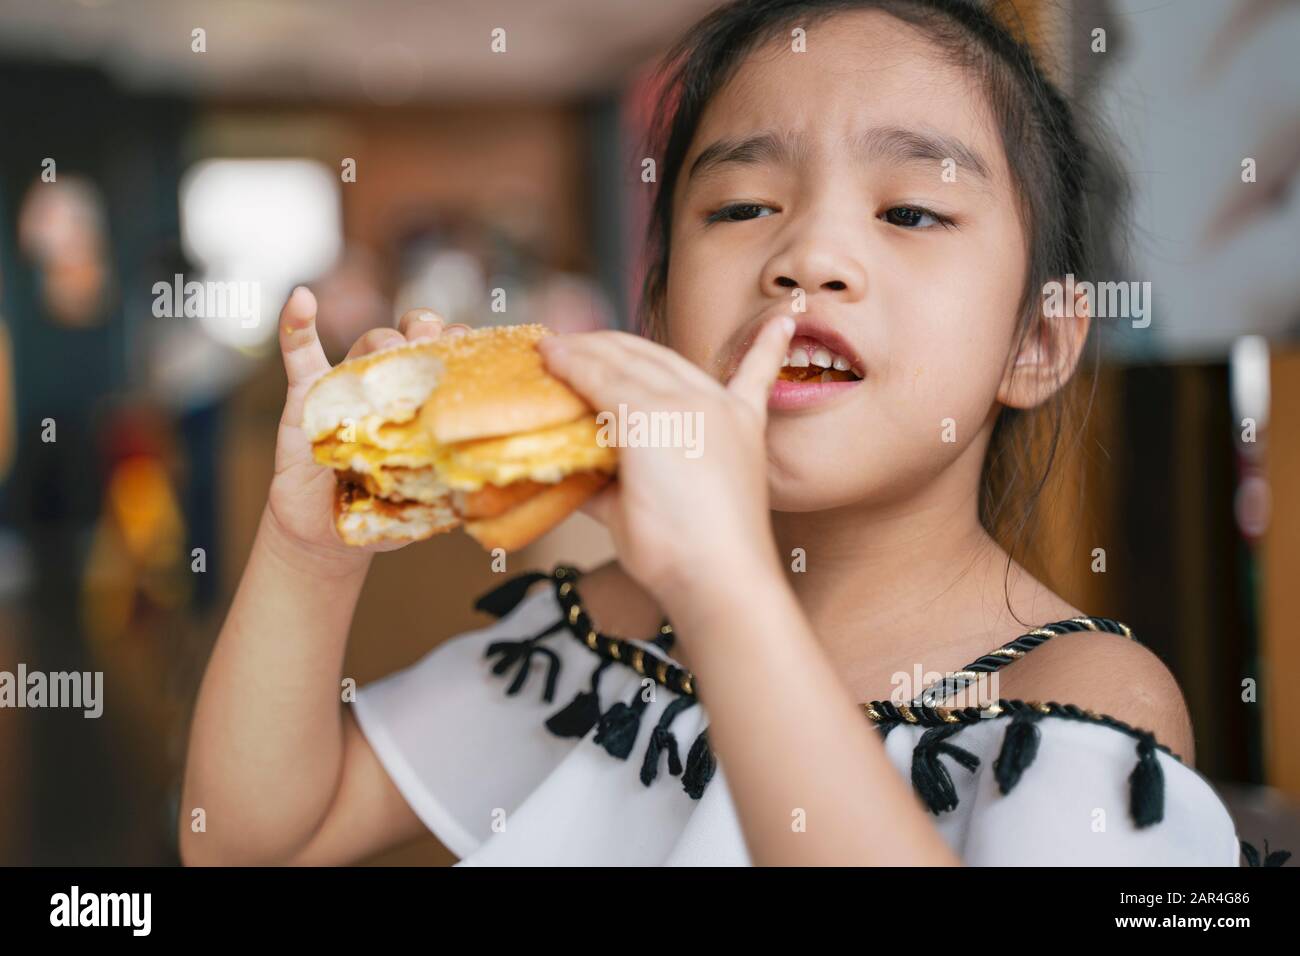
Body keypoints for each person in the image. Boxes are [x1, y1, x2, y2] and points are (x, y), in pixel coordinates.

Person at [178, 0, 1255, 866]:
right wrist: (310, 546)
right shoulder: (598, 643)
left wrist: (724, 583)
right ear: (659, 314)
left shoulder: (1077, 698)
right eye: (741, 206)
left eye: (910, 211)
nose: (807, 255)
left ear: (1038, 341)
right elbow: (254, 838)